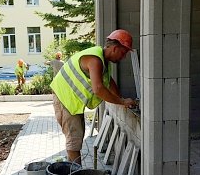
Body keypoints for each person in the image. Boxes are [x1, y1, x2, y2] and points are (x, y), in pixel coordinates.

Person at [50, 29, 137, 164]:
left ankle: (72, 173)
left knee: (76, 138)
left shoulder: (101, 59)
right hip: (66, 99)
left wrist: (121, 99)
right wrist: (121, 101)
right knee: (74, 141)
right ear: (114, 48)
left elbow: (109, 82)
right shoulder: (95, 60)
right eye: (123, 52)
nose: (123, 57)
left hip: (69, 100)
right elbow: (99, 89)